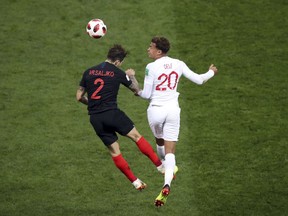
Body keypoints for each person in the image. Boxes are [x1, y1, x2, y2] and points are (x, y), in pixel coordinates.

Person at [135, 36, 218, 206]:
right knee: (171, 150)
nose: (148, 49)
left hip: (156, 110)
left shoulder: (150, 67)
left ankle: (166, 168)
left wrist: (133, 84)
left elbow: (146, 95)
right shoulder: (178, 63)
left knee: (159, 141)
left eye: (150, 47)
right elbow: (199, 80)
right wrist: (212, 72)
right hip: (173, 110)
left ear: (159, 51)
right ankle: (167, 184)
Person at [76, 44, 164, 191]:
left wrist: (93, 104)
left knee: (115, 152)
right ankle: (160, 166)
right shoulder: (118, 72)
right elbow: (137, 90)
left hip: (96, 119)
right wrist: (131, 76)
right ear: (117, 61)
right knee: (136, 137)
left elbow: (79, 97)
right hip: (113, 114)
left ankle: (135, 182)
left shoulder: (88, 72)